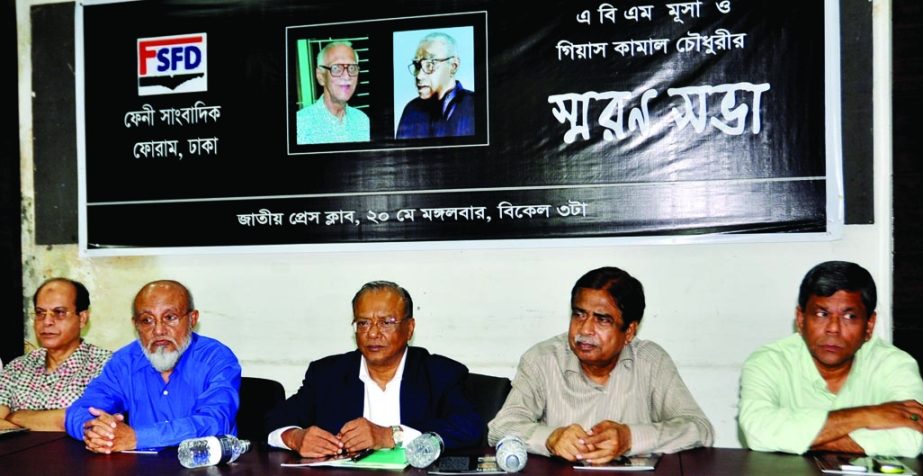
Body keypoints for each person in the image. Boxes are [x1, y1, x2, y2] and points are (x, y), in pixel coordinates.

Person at [488, 267, 714, 465]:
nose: (585, 330)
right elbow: (501, 428)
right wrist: (549, 438)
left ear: (629, 332)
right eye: (579, 314)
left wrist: (630, 437)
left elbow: (699, 429)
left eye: (602, 319)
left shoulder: (651, 361)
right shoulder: (543, 358)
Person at [266, 280, 483, 457]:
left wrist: (391, 436)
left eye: (386, 322)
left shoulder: (439, 373)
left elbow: (470, 427)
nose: (372, 333)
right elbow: (272, 421)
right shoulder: (327, 374)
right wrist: (295, 438)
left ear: (410, 328)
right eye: (363, 323)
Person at [739, 261, 923, 457]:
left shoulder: (895, 364)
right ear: (800, 319)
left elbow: (911, 440)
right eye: (821, 314)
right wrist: (867, 415)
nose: (833, 328)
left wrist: (798, 438)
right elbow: (757, 431)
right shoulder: (769, 361)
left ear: (869, 326)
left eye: (849, 316)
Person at [64, 280, 241, 452]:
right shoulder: (125, 362)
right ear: (136, 325)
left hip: (204, 466)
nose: (158, 330)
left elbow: (216, 422)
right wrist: (96, 431)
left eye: (170, 318)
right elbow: (80, 411)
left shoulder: (216, 359)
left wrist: (137, 437)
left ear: (192, 319)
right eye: (147, 320)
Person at [0, 278, 111, 431]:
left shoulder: (106, 365)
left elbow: (85, 421)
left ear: (82, 319)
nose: (47, 322)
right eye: (40, 313)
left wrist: (14, 416)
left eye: (59, 313)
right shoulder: (17, 367)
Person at [396, 32, 475, 139]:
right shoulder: (411, 110)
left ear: (453, 66)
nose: (419, 76)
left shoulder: (476, 105)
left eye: (430, 64)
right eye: (417, 65)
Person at [296, 41, 370, 145]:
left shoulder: (363, 121)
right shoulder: (300, 125)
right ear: (321, 76)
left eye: (352, 68)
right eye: (336, 68)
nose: (347, 76)